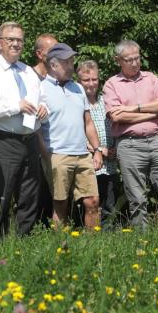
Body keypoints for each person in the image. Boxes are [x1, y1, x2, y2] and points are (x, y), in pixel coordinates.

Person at [0, 22, 48, 238]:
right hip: (2, 140)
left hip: (30, 140)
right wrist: (15, 106)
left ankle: (21, 243)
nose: (16, 44)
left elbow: (43, 100)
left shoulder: (28, 72)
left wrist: (45, 109)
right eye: (11, 39)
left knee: (29, 195)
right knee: (0, 196)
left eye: (20, 40)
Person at [102, 40, 158, 228]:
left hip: (157, 141)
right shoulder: (111, 84)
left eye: (137, 58)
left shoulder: (151, 78)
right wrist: (151, 114)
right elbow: (116, 116)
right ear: (118, 60)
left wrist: (134, 108)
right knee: (137, 198)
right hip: (129, 145)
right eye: (129, 59)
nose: (134, 63)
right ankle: (141, 240)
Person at [40, 43, 104, 229]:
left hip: (83, 154)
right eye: (67, 62)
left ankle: (93, 248)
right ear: (53, 65)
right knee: (60, 204)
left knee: (92, 201)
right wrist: (46, 155)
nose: (72, 66)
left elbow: (88, 123)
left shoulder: (78, 88)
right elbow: (35, 128)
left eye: (72, 61)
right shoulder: (40, 88)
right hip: (57, 155)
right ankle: (62, 250)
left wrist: (97, 150)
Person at [77, 60, 120, 227]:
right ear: (79, 81)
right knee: (90, 205)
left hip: (110, 163)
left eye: (94, 79)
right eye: (86, 80)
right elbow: (77, 132)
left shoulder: (106, 101)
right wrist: (100, 150)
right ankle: (89, 240)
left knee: (110, 205)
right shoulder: (77, 102)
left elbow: (116, 125)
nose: (91, 84)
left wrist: (115, 148)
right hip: (89, 162)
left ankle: (109, 239)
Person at [32, 34, 59, 226]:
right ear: (39, 54)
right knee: (36, 190)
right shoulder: (28, 76)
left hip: (57, 144)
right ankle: (37, 230)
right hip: (34, 143)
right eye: (52, 51)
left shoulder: (59, 78)